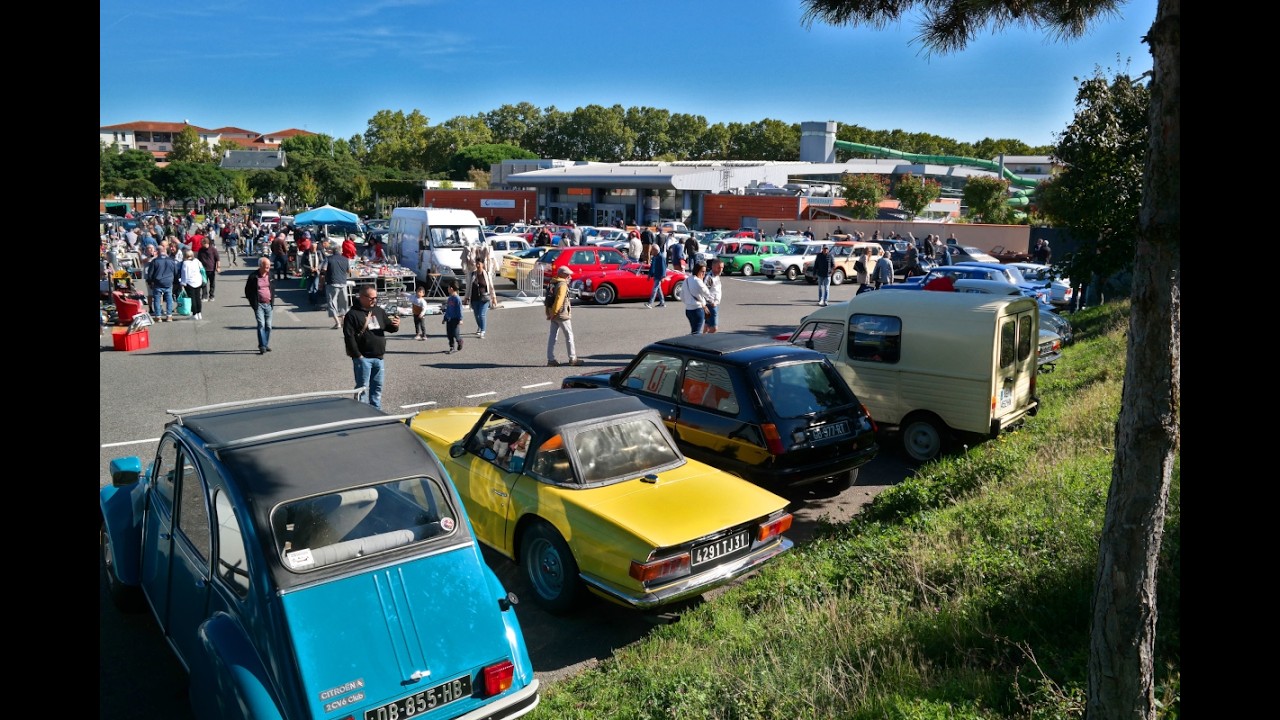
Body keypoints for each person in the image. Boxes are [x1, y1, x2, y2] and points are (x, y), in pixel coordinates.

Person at [343, 286, 401, 409]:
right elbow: (349, 337)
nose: (375, 300)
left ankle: (376, 411)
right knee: (362, 388)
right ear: (362, 297)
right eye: (372, 298)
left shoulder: (379, 311)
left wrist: (395, 325)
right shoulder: (352, 314)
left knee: (377, 387)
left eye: (376, 297)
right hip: (363, 358)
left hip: (379, 357)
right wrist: (358, 356)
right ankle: (361, 412)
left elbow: (389, 327)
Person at [545, 266, 583, 366]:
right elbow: (559, 300)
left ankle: (551, 359)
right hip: (561, 314)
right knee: (569, 336)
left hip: (552, 313)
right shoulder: (562, 285)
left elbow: (548, 299)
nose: (569, 276)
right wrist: (554, 312)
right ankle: (572, 358)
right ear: (563, 275)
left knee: (552, 336)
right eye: (567, 274)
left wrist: (549, 313)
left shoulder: (553, 282)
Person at [244, 258, 275, 354]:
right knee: (261, 324)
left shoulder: (271, 275)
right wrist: (253, 303)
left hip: (269, 304)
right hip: (259, 304)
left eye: (269, 266)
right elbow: (247, 291)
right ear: (261, 266)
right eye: (266, 267)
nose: (268, 268)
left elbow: (272, 288)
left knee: (268, 325)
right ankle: (262, 346)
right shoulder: (253, 276)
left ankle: (264, 344)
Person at [144, 243, 179, 321]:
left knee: (157, 299)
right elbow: (176, 272)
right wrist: (176, 281)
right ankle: (169, 315)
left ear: (158, 252)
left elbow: (150, 273)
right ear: (165, 251)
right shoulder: (171, 261)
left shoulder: (155, 261)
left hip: (158, 282)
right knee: (169, 298)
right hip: (168, 282)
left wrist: (150, 282)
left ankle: (158, 316)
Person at [320, 243, 351, 329]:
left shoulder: (328, 259)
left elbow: (323, 271)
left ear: (333, 251)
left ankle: (337, 322)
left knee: (332, 302)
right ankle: (344, 321)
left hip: (332, 282)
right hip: (343, 283)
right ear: (340, 251)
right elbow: (348, 271)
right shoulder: (345, 259)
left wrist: (321, 283)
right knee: (343, 303)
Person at [681, 262, 711, 334]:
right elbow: (707, 294)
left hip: (688, 310)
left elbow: (682, 296)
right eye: (702, 271)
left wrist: (689, 302)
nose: (704, 274)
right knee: (696, 333)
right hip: (697, 310)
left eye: (705, 271)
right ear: (697, 271)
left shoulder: (686, 280)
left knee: (694, 331)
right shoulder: (698, 281)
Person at [179, 249, 205, 320]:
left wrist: (183, 283)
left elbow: (184, 274)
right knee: (198, 297)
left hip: (190, 282)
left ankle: (194, 314)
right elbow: (201, 268)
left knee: (192, 298)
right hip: (198, 281)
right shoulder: (196, 261)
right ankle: (199, 313)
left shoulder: (185, 263)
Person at [469, 267, 491, 339]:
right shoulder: (472, 274)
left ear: (482, 264)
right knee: (477, 315)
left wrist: (493, 297)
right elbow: (468, 286)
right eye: (477, 264)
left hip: (484, 298)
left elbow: (491, 286)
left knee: (482, 314)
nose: (478, 265)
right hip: (474, 298)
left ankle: (483, 331)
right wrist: (466, 297)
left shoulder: (486, 274)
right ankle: (480, 326)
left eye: (479, 264)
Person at [703, 259, 724, 333]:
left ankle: (701, 339)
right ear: (713, 267)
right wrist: (712, 302)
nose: (721, 270)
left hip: (715, 304)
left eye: (722, 268)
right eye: (719, 268)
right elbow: (704, 292)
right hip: (711, 306)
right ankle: (707, 342)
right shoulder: (709, 278)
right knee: (714, 328)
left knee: (707, 324)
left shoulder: (717, 276)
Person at [442, 283, 464, 353]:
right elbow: (448, 309)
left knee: (455, 333)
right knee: (449, 334)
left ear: (451, 288)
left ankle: (460, 341)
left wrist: (460, 319)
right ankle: (452, 347)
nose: (447, 289)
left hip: (455, 319)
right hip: (449, 319)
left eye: (448, 288)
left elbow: (459, 310)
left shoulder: (457, 299)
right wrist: (445, 318)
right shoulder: (450, 298)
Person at [645, 243, 667, 308]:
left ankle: (650, 303)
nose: (652, 251)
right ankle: (662, 302)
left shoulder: (661, 257)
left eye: (653, 250)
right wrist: (649, 274)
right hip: (655, 275)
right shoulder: (655, 257)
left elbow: (663, 267)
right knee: (658, 289)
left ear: (656, 250)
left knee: (654, 289)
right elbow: (652, 266)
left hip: (659, 276)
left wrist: (663, 276)